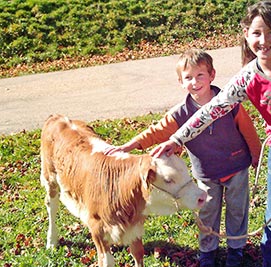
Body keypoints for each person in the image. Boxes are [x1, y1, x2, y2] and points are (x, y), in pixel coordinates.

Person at [151, 1, 271, 267]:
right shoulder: (247, 78)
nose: (264, 40)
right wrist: (177, 138)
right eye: (256, 33)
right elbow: (212, 110)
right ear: (246, 35)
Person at [107, 48, 261, 267]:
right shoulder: (180, 113)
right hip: (206, 174)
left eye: (200, 75)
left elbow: (248, 130)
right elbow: (156, 131)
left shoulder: (229, 103)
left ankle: (236, 249)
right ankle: (208, 251)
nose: (195, 82)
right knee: (207, 212)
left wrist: (256, 154)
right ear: (180, 82)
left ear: (212, 75)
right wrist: (130, 145)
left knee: (237, 211)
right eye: (188, 77)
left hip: (236, 167)